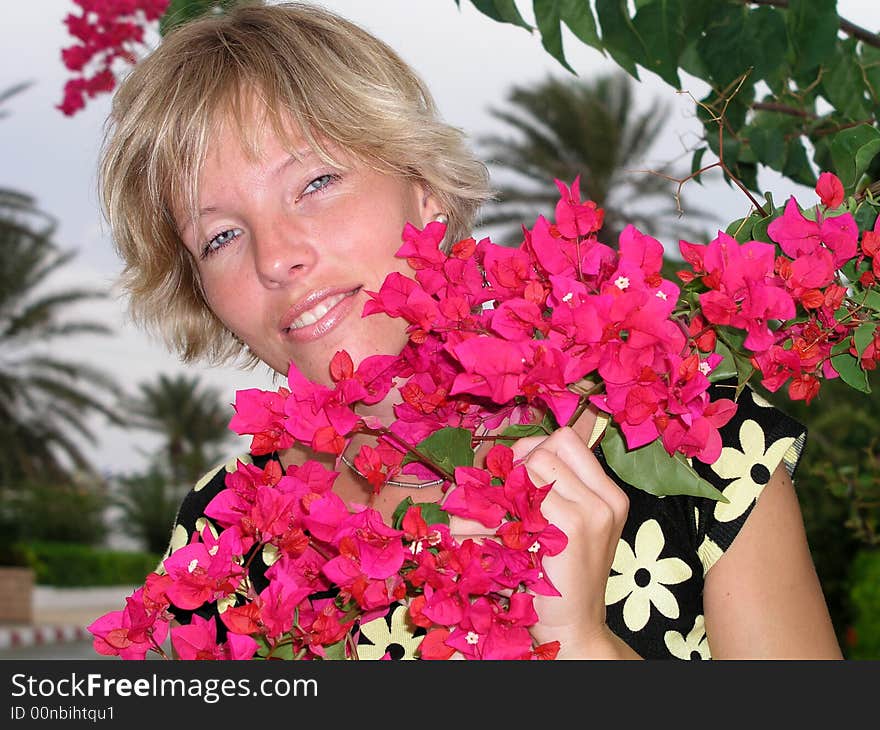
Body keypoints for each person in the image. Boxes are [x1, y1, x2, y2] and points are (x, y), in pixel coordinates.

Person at [98, 1, 842, 660]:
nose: (278, 257)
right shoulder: (221, 536)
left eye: (316, 183)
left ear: (423, 193)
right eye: (221, 237)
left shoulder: (697, 439)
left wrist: (579, 646)